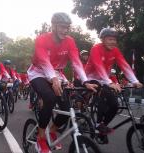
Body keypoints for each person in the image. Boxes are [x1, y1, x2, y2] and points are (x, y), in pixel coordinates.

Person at [27, 12, 97, 153]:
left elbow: (77, 62)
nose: (65, 31)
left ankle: (52, 131)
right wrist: (53, 79)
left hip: (57, 74)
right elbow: (44, 61)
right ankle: (41, 139)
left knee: (66, 110)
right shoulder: (42, 39)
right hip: (38, 73)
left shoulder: (70, 41)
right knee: (50, 98)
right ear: (53, 25)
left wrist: (85, 81)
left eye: (67, 27)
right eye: (62, 27)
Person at [85, 27, 143, 143]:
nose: (113, 42)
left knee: (115, 104)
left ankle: (102, 127)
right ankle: (97, 124)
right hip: (91, 78)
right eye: (110, 39)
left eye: (114, 40)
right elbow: (98, 66)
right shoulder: (96, 48)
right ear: (102, 39)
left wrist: (135, 81)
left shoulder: (115, 50)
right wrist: (110, 83)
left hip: (104, 79)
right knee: (102, 93)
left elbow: (124, 65)